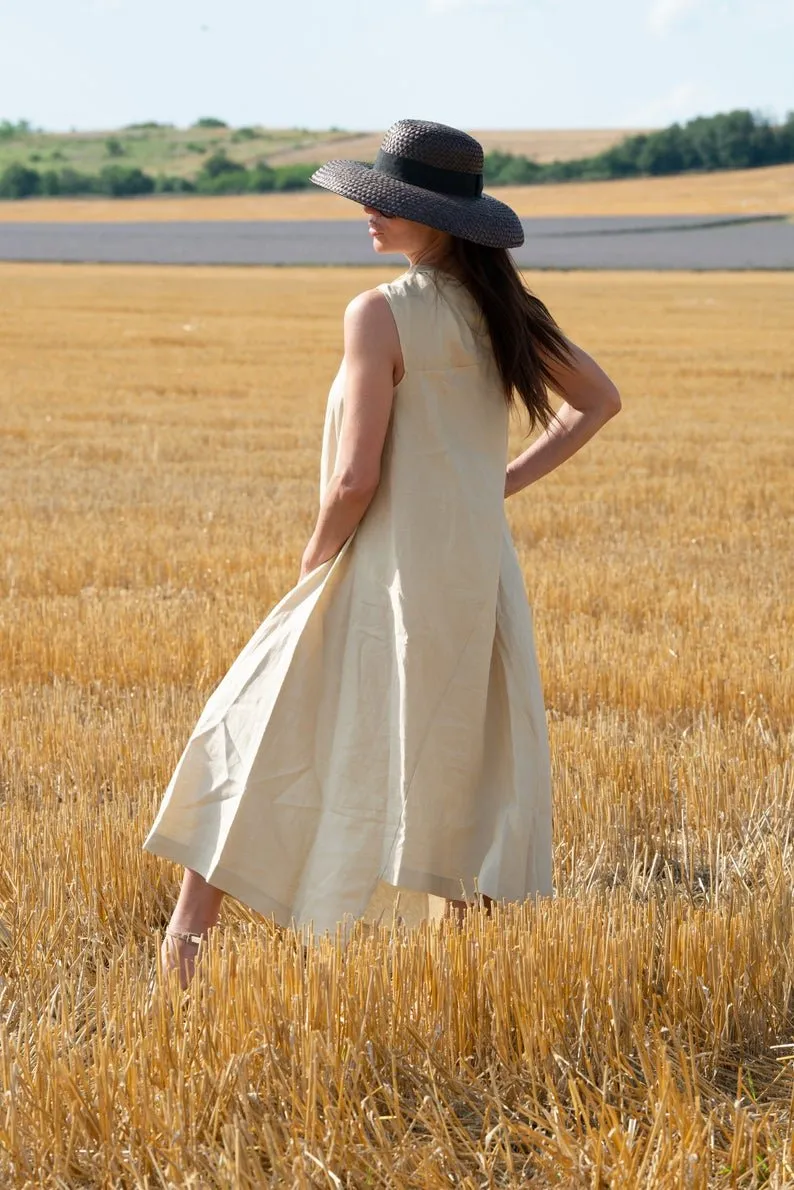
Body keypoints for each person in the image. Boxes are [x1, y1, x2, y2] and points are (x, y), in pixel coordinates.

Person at [143, 119, 621, 990]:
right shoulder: (504, 313)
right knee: (456, 762)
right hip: (474, 575)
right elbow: (599, 400)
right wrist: (493, 485)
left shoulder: (380, 313)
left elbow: (354, 476)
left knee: (251, 728)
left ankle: (185, 947)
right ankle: (464, 985)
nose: (366, 210)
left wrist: (315, 560)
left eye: (386, 201)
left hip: (383, 566)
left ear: (437, 217)